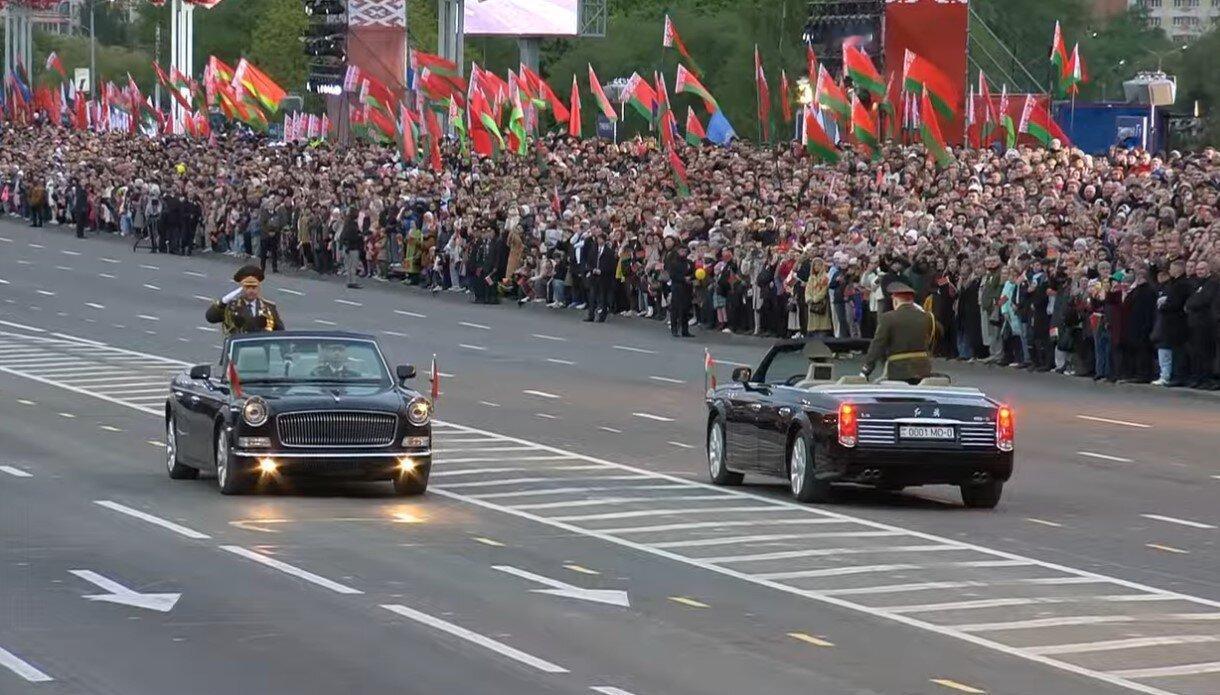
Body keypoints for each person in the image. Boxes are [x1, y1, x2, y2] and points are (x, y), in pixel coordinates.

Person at [860, 281, 937, 384]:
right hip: (923, 370)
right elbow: (938, 335)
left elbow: (878, 344)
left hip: (898, 371)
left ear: (895, 301)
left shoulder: (888, 318)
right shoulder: (927, 317)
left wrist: (866, 370)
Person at [205, 265, 285, 338]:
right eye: (247, 287)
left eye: (254, 288)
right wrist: (223, 302)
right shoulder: (231, 307)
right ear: (241, 288)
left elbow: (280, 332)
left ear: (258, 288)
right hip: (239, 347)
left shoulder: (268, 307)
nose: (251, 291)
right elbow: (211, 317)